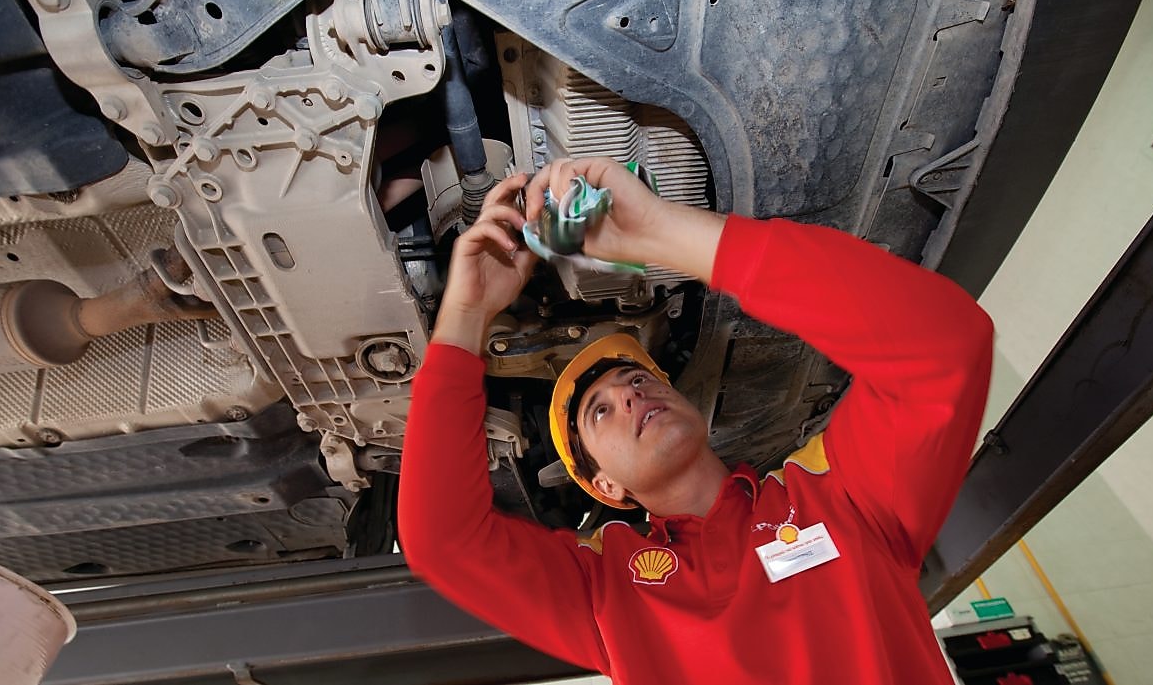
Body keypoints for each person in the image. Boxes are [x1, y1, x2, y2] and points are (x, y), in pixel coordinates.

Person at [398, 157, 994, 684]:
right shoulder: (605, 594)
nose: (630, 395)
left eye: (638, 379)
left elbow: (946, 348)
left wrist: (663, 233)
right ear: (605, 486)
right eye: (599, 410)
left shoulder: (841, 502)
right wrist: (465, 314)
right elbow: (443, 541)